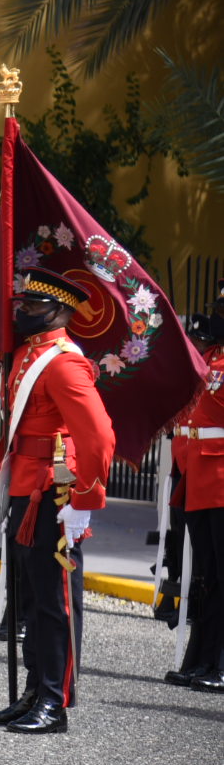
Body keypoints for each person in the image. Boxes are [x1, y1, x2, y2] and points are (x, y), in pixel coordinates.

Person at [0, 267, 114, 735]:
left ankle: (54, 701)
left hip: (54, 493)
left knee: (54, 601)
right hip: (24, 486)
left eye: (33, 305)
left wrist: (84, 497)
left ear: (59, 310)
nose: (23, 311)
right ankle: (34, 691)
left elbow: (97, 436)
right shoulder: (28, 355)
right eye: (22, 304)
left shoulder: (62, 361)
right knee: (30, 598)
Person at [166, 281, 224, 693]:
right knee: (206, 575)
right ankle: (201, 658)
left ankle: (218, 663)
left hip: (221, 481)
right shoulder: (212, 360)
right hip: (200, 480)